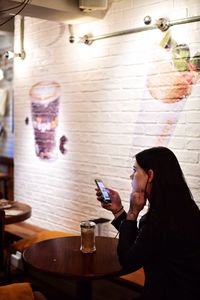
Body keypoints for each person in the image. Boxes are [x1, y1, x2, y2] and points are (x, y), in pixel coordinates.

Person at [96, 146, 200, 300]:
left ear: (150, 175)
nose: (132, 176)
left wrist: (132, 213)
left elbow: (128, 261)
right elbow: (145, 245)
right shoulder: (186, 208)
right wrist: (118, 211)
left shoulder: (157, 220)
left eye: (135, 170)